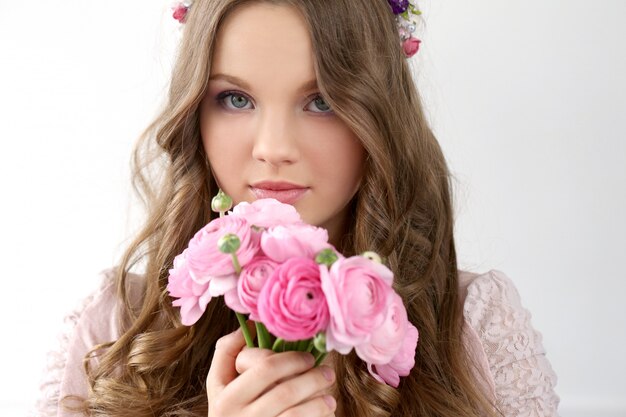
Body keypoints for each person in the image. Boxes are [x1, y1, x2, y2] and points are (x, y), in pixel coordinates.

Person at [35, 0, 560, 416]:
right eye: (235, 99)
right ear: (195, 112)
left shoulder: (472, 328)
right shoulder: (112, 332)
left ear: (380, 115)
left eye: (323, 101)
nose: (273, 147)